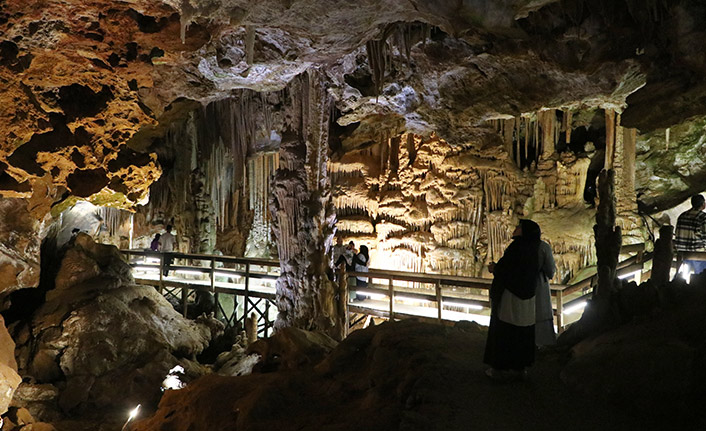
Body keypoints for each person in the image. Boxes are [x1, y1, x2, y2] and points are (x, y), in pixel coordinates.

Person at [484, 219, 554, 381]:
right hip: (529, 295)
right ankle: (520, 368)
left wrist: (495, 268)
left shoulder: (517, 248)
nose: (514, 229)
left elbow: (507, 269)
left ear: (524, 231)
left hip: (511, 295)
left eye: (518, 227)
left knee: (505, 331)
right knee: (524, 332)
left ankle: (499, 369)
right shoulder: (538, 247)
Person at [674, 194, 706, 276]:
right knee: (700, 277)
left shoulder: (682, 215)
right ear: (703, 205)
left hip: (682, 253)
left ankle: (675, 287)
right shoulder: (702, 217)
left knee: (681, 276)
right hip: (697, 254)